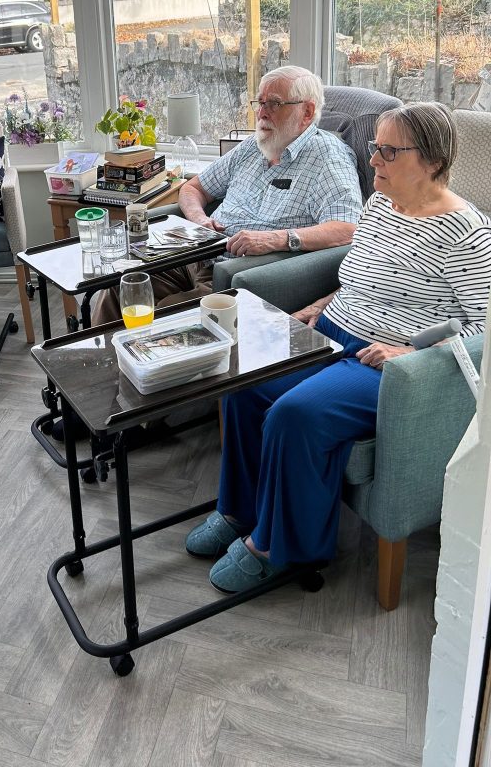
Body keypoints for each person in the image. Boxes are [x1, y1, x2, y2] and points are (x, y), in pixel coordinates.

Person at [185, 102, 491, 594]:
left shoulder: (466, 233)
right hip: (332, 329)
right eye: (375, 147)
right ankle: (241, 510)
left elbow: (485, 327)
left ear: (432, 161)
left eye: (389, 151)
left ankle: (281, 549)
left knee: (295, 415)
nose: (373, 160)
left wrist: (412, 354)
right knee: (245, 384)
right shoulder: (380, 206)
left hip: (385, 363)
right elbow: (360, 277)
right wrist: (319, 304)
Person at [92, 66, 363, 325]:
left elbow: (348, 229)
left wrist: (275, 239)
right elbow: (193, 188)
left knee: (160, 315)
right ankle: (97, 358)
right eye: (260, 103)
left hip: (238, 272)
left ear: (307, 112)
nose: (262, 113)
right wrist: (199, 220)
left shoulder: (328, 158)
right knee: (122, 287)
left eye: (274, 104)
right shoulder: (253, 147)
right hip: (197, 254)